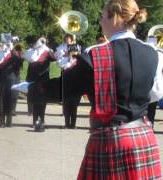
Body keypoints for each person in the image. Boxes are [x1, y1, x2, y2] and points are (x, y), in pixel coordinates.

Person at [64, 0, 162, 178]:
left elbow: (63, 88)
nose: (100, 22)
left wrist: (31, 87)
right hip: (143, 136)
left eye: (103, 16)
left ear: (115, 18)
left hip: (110, 141)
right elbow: (156, 93)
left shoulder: (95, 54)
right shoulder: (153, 53)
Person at [24, 36, 55, 131]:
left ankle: (42, 120)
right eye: (40, 41)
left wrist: (47, 48)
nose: (41, 43)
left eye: (43, 41)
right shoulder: (32, 51)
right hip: (33, 79)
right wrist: (36, 48)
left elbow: (54, 58)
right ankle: (35, 121)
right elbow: (29, 58)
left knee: (43, 101)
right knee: (34, 101)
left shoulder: (47, 51)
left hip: (44, 79)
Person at [0, 33, 23, 127]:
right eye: (5, 42)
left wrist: (11, 49)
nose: (6, 44)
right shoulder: (0, 50)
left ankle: (9, 121)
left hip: (12, 78)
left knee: (10, 99)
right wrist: (2, 51)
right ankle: (1, 121)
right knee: (1, 100)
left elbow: (18, 61)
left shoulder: (17, 51)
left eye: (8, 42)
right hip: (1, 78)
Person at [56, 33, 82, 129]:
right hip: (66, 74)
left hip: (75, 75)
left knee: (74, 100)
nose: (68, 40)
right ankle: (67, 123)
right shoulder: (60, 48)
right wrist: (67, 56)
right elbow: (59, 63)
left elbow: (79, 60)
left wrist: (74, 54)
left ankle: (73, 124)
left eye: (69, 38)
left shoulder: (77, 47)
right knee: (66, 100)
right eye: (66, 38)